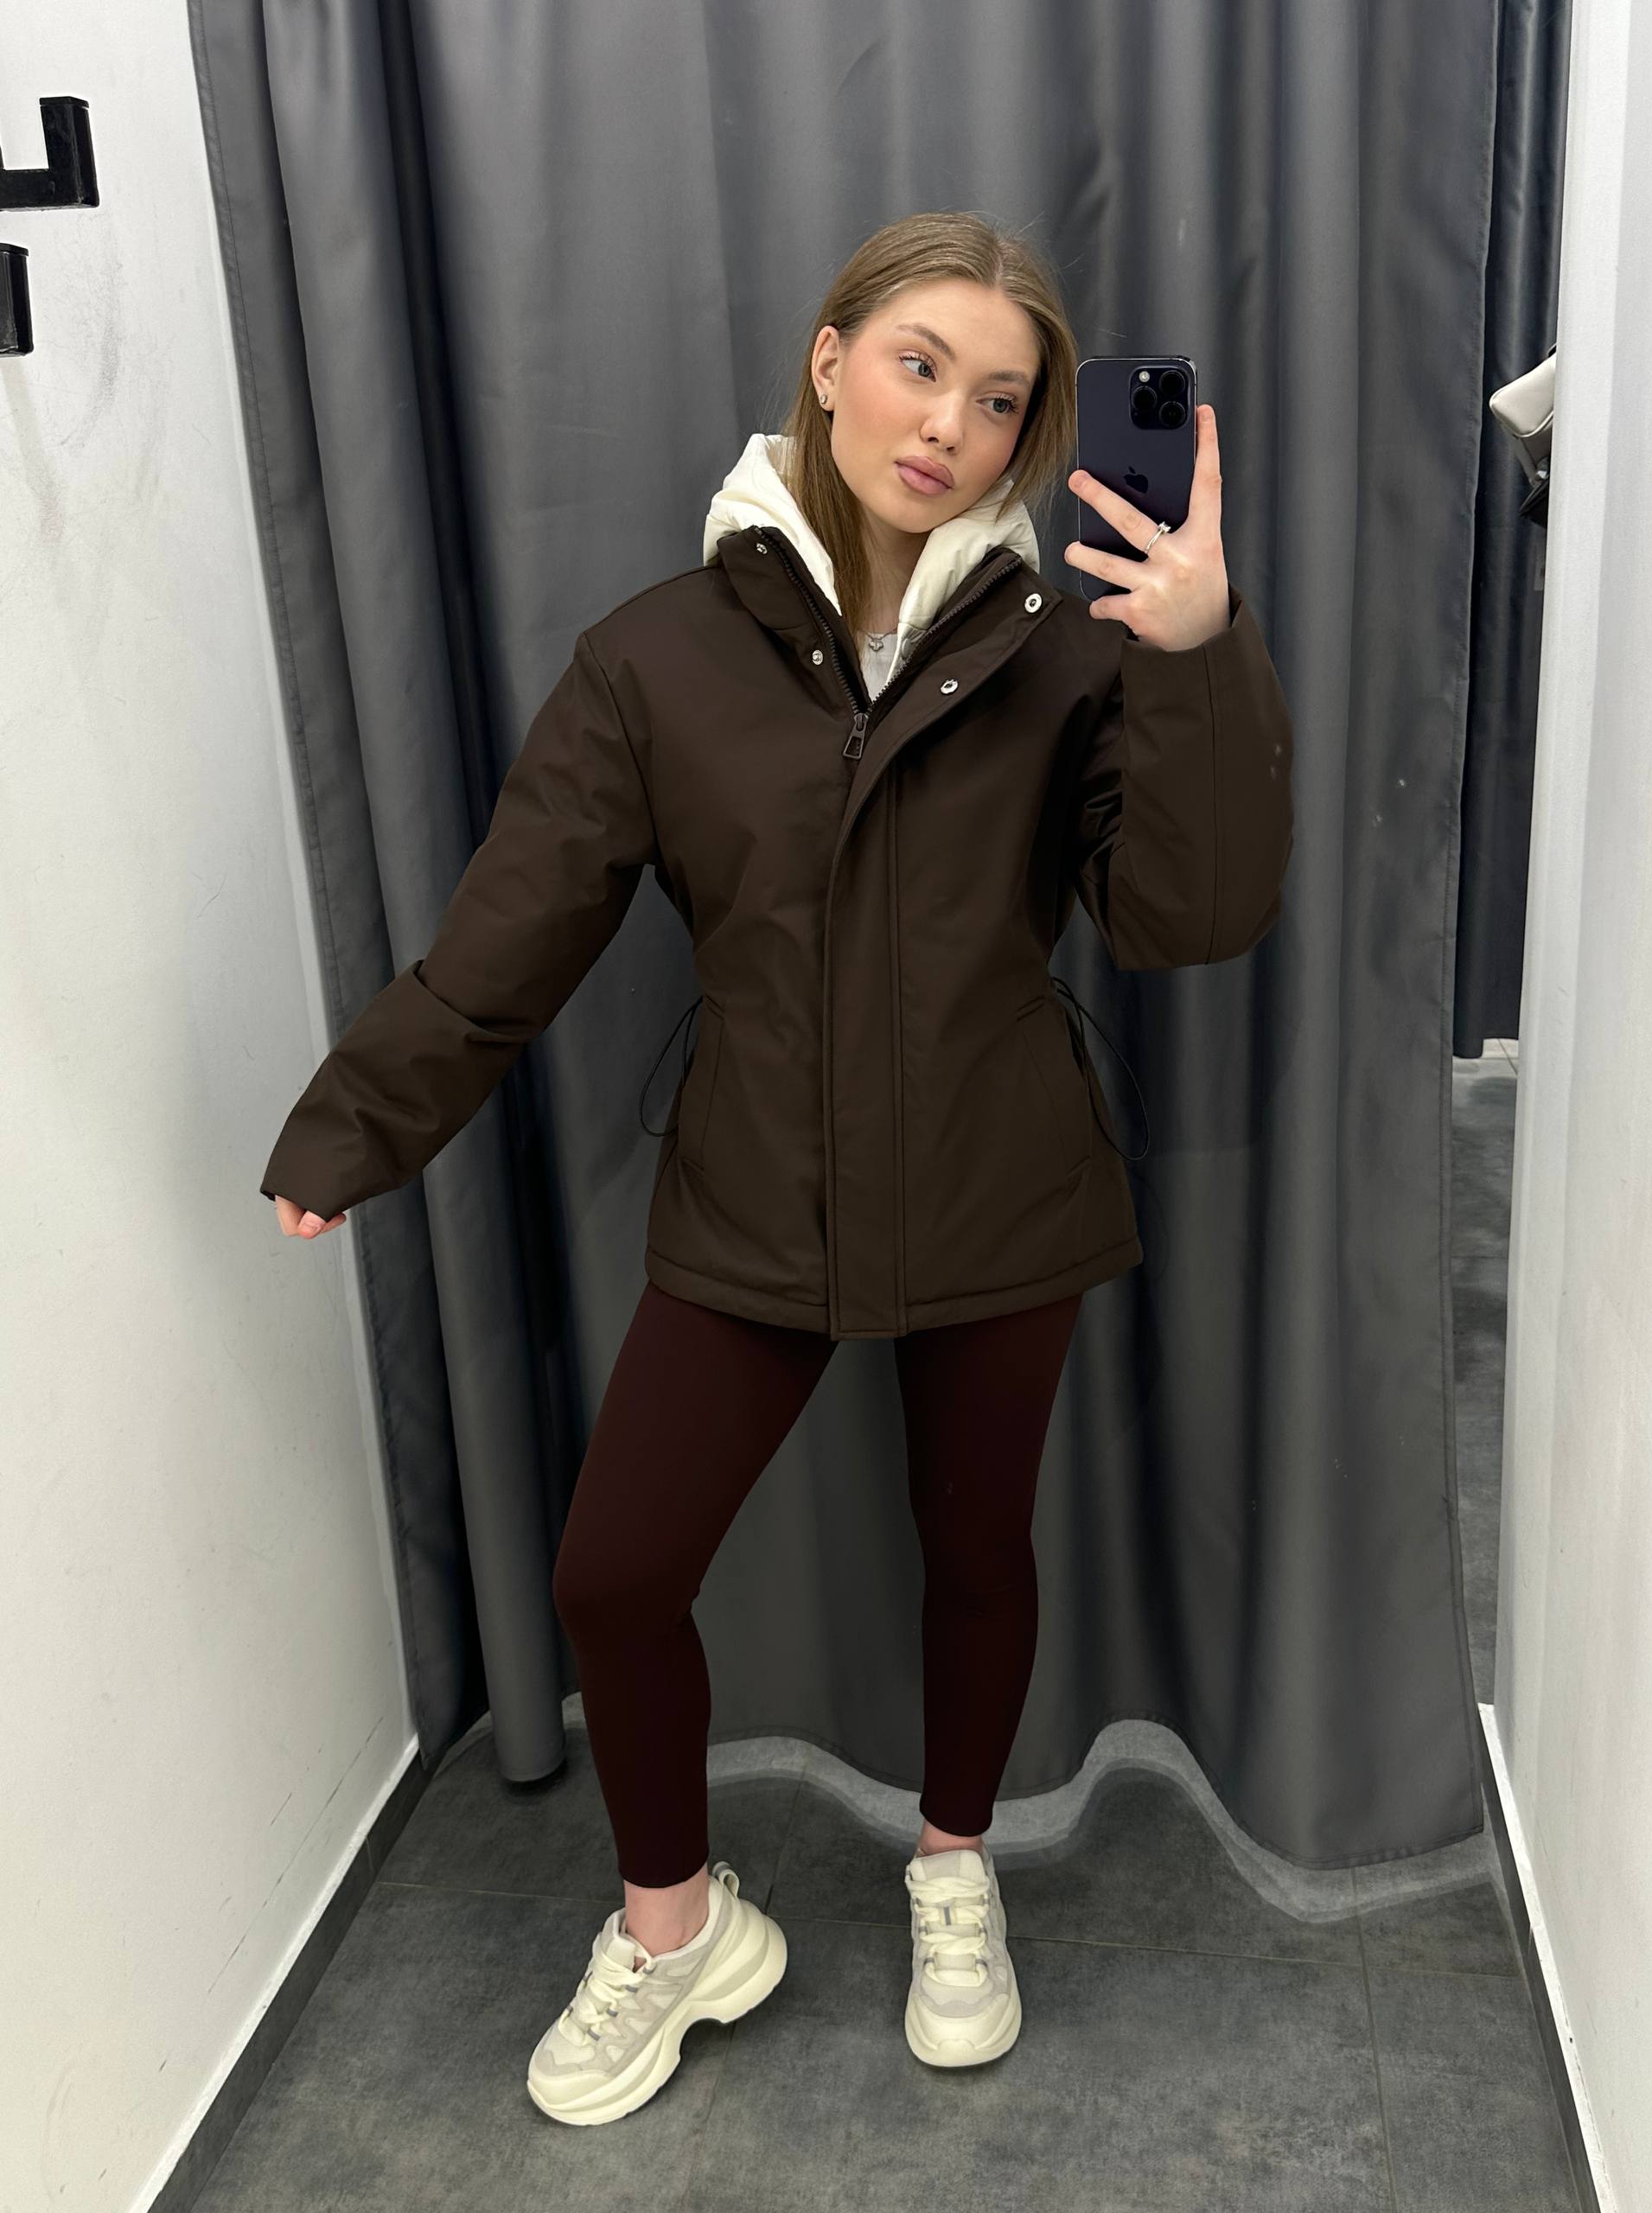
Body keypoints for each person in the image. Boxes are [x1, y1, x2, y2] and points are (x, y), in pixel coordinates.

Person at [260, 210, 1294, 2125]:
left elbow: (1193, 917)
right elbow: (510, 938)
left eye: (1004, 401)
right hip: (758, 1188)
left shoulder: (1076, 650)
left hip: (1001, 1186)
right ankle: (678, 1930)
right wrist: (358, 1121)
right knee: (614, 1572)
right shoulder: (659, 656)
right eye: (920, 366)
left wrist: (1201, 656)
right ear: (830, 362)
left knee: (977, 1552)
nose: (952, 427)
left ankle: (956, 1867)